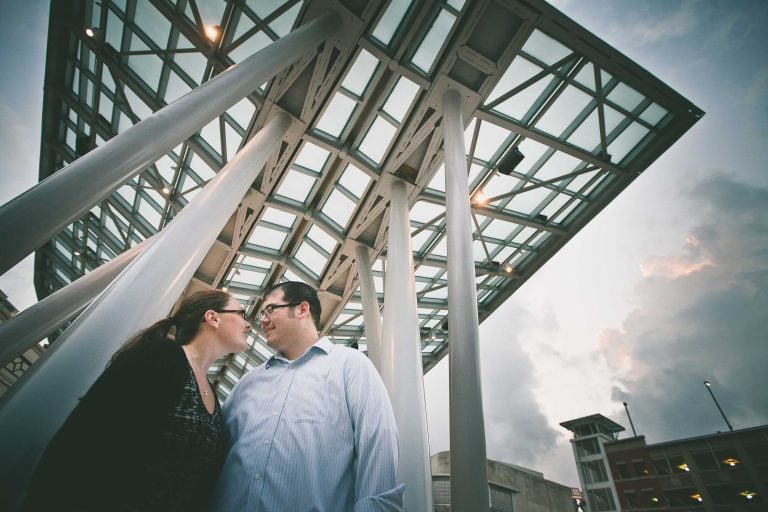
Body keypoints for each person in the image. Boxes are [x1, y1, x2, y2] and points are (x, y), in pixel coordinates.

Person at [23, 289, 251, 512]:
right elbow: (86, 438)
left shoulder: (214, 398)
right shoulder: (159, 358)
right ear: (213, 317)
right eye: (242, 314)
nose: (249, 324)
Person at [211, 281, 404, 511]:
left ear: (303, 309)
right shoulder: (248, 382)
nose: (261, 320)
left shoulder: (350, 366)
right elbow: (216, 446)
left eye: (270, 310)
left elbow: (378, 443)